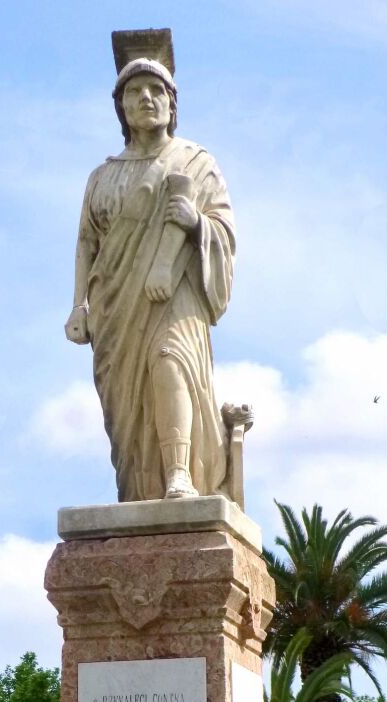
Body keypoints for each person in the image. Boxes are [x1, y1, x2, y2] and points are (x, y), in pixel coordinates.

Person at [64, 56, 235, 502]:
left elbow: (225, 230)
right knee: (125, 410)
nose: (146, 98)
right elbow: (87, 242)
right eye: (134, 92)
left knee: (169, 358)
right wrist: (78, 305)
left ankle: (180, 472)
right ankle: (140, 487)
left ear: (172, 103)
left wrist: (196, 223)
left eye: (156, 90)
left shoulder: (196, 162)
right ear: (120, 107)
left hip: (174, 289)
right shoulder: (101, 176)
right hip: (115, 307)